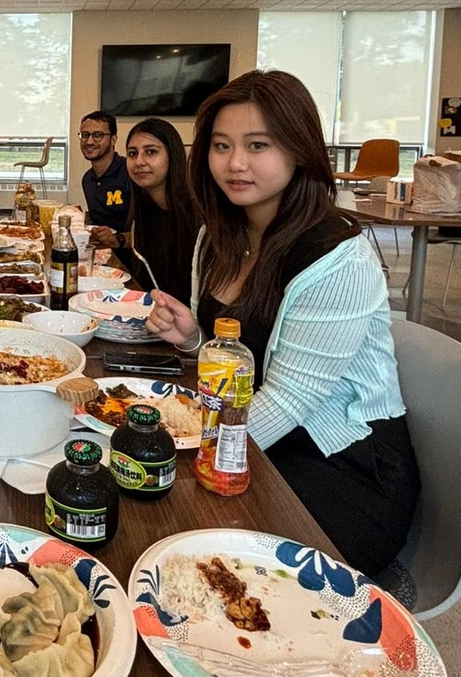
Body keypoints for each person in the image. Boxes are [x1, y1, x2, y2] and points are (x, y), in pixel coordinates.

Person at [145, 69, 419, 578]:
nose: (236, 163)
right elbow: (242, 355)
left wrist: (188, 455)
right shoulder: (219, 236)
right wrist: (192, 339)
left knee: (191, 551)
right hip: (246, 438)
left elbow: (290, 398)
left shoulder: (338, 257)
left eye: (258, 145)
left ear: (299, 149)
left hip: (336, 464)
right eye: (221, 146)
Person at [122, 117, 200, 305]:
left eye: (151, 152)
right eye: (132, 154)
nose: (139, 161)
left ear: (172, 155)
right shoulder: (144, 210)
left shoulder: (196, 215)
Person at [79, 111, 132, 253]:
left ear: (113, 139)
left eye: (98, 135)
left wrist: (118, 239)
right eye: (85, 135)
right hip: (100, 255)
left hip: (131, 260)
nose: (89, 142)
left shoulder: (131, 173)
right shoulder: (87, 180)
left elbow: (152, 231)